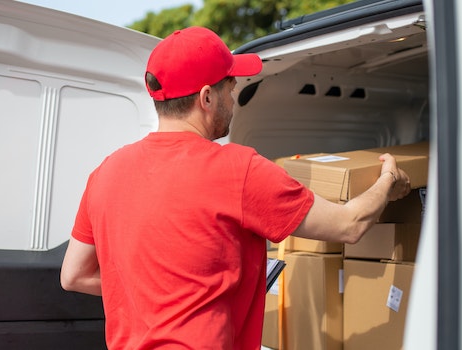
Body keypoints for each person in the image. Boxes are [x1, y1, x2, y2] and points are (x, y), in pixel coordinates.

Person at [60, 26, 411, 349]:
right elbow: (348, 225)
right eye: (231, 83)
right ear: (207, 97)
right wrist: (387, 182)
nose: (237, 91)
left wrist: (153, 293)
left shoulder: (105, 173)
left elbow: (74, 275)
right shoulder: (237, 169)